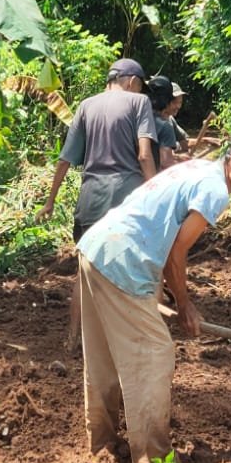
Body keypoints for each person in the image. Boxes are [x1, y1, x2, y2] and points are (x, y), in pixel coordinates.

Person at [77, 133, 231, 463]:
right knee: (155, 353)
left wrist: (161, 293)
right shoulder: (215, 190)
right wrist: (186, 305)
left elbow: (157, 224)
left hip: (98, 247)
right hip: (124, 261)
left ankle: (102, 443)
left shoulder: (198, 168)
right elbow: (176, 250)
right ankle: (153, 461)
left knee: (102, 357)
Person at [36, 57, 157, 346]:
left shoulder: (86, 106)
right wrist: (155, 192)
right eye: (140, 86)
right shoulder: (138, 104)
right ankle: (123, 341)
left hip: (90, 201)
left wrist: (50, 201)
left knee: (86, 272)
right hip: (126, 202)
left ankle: (73, 338)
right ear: (132, 82)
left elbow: (66, 158)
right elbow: (144, 154)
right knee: (127, 273)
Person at [146, 75, 179, 171]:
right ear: (169, 101)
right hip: (150, 180)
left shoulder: (134, 119)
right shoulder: (165, 127)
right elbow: (166, 164)